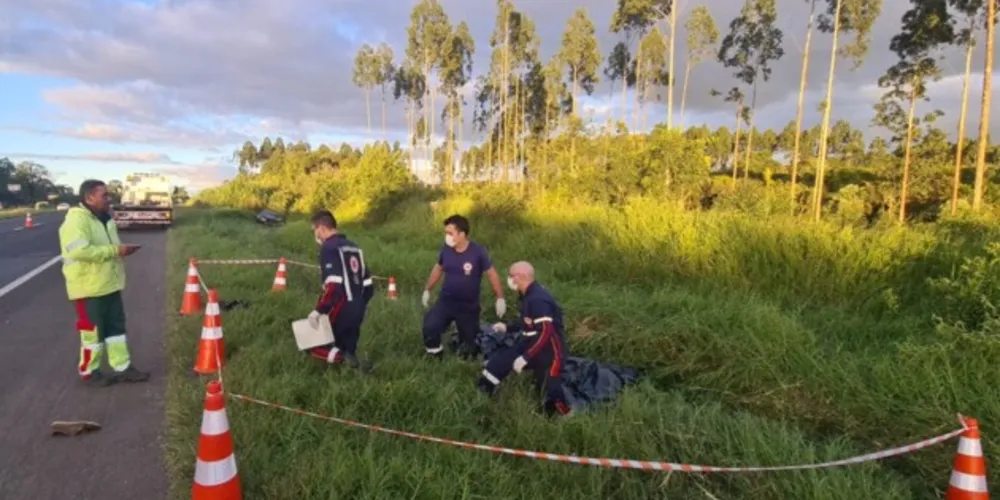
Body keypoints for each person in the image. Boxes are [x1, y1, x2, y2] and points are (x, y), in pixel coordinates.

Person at [58, 179, 150, 387]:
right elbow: (79, 251)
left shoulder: (104, 219)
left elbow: (108, 247)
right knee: (92, 334)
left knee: (116, 330)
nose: (109, 199)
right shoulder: (77, 220)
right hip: (88, 288)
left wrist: (121, 250)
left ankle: (122, 367)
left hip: (109, 284)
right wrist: (115, 251)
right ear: (89, 197)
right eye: (104, 195)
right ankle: (90, 373)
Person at [477, 261, 571, 417]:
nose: (509, 279)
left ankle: (565, 415)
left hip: (550, 350)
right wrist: (507, 327)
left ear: (522, 276)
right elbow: (527, 320)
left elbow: (545, 331)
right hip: (530, 342)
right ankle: (482, 397)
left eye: (511, 276)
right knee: (497, 364)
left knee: (550, 390)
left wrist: (526, 357)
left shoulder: (538, 299)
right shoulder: (526, 294)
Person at [421, 214, 505, 360]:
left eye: (450, 233)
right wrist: (427, 289)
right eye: (445, 233)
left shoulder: (478, 251)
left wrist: (500, 298)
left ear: (462, 234)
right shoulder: (446, 250)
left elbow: (491, 274)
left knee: (469, 348)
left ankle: (467, 352)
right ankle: (435, 357)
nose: (447, 237)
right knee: (430, 327)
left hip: (468, 306)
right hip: (446, 301)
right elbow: (438, 269)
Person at [305, 210, 374, 372]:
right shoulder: (354, 248)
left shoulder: (329, 248)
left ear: (321, 228)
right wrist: (359, 304)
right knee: (347, 344)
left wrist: (320, 310)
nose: (316, 235)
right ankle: (353, 368)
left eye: (314, 230)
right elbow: (369, 285)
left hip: (341, 306)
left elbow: (334, 284)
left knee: (312, 344)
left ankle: (346, 361)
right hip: (358, 306)